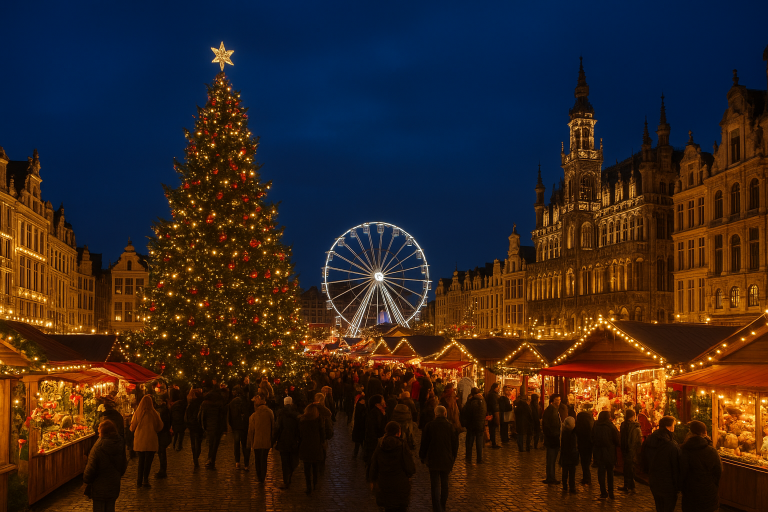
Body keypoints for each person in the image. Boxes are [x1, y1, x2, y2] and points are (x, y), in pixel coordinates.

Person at [369, 421, 417, 512]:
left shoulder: (380, 444)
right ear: (398, 432)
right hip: (400, 484)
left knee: (388, 508)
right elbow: (409, 466)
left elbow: (374, 463)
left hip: (384, 484)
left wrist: (372, 480)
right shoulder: (402, 445)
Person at [419, 406, 459, 512]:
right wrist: (453, 457)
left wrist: (422, 456)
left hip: (433, 457)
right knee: (445, 482)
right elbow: (455, 444)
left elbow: (424, 443)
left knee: (435, 484)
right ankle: (442, 504)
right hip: (446, 458)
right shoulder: (450, 426)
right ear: (445, 413)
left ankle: (436, 507)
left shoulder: (430, 426)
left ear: (435, 414)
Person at [83, 420, 128, 512]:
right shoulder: (119, 443)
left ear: (103, 432)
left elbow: (91, 468)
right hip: (114, 484)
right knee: (110, 507)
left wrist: (86, 480)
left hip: (99, 486)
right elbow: (123, 464)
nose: (98, 433)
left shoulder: (98, 447)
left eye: (99, 431)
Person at [680, 420, 722, 512]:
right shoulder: (712, 451)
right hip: (709, 492)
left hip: (691, 493)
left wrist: (684, 488)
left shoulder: (685, 450)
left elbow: (682, 473)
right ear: (705, 432)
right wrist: (713, 485)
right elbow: (718, 471)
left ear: (691, 432)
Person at [642, 415, 681, 512]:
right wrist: (678, 485)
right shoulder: (671, 445)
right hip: (668, 483)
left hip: (654, 480)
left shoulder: (649, 440)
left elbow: (643, 458)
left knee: (659, 506)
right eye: (674, 426)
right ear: (670, 427)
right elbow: (676, 466)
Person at [129, 395, 163, 488]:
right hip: (151, 440)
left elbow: (132, 428)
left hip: (140, 440)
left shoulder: (137, 413)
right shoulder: (155, 414)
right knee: (148, 462)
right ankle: (145, 480)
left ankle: (139, 481)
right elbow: (159, 427)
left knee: (141, 461)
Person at [247, 392, 275, 483]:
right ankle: (262, 476)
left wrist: (250, 443)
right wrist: (272, 440)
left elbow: (251, 430)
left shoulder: (253, 416)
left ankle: (259, 476)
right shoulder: (270, 412)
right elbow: (273, 427)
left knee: (258, 459)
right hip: (266, 440)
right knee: (264, 459)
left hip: (257, 441)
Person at [591, 410, 619, 500]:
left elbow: (592, 438)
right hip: (609, 451)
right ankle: (611, 492)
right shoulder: (611, 426)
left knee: (601, 472)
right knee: (610, 472)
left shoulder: (596, 426)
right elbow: (617, 440)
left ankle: (603, 492)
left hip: (599, 452)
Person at [298, 403, 325, 495]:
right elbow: (322, 434)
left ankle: (308, 486)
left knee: (307, 468)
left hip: (305, 446)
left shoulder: (302, 421)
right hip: (316, 446)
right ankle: (315, 483)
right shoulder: (318, 420)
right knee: (315, 467)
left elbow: (300, 435)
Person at [274, 396, 301, 489]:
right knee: (292, 460)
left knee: (284, 462)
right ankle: (290, 474)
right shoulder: (296, 415)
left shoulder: (280, 414)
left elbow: (277, 428)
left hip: (283, 441)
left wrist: (273, 440)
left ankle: (286, 480)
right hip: (294, 441)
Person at [460, 387, 486, 464]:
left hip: (471, 424)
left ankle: (468, 457)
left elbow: (465, 412)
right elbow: (484, 411)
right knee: (479, 441)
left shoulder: (470, 401)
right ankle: (479, 458)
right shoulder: (483, 400)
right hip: (480, 424)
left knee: (469, 441)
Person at [199, 389, 225, 469]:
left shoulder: (205, 403)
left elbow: (202, 416)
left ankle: (209, 459)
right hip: (218, 426)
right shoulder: (220, 403)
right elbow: (222, 416)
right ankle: (212, 460)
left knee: (210, 443)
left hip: (209, 426)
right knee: (215, 444)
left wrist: (203, 426)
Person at [228, 385, 251, 470]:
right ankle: (246, 464)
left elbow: (230, 416)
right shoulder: (246, 401)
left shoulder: (232, 402)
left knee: (236, 444)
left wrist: (232, 425)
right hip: (244, 425)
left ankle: (237, 462)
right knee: (245, 444)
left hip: (236, 426)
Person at [619, 409, 641, 493]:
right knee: (630, 468)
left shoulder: (624, 425)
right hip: (631, 449)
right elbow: (638, 440)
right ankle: (630, 486)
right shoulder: (635, 426)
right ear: (633, 416)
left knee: (627, 468)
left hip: (626, 448)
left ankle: (628, 485)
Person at [541, 394, 562, 484]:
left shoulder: (555, 410)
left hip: (554, 438)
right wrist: (552, 435)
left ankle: (551, 476)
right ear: (552, 400)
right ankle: (550, 477)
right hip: (552, 439)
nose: (558, 401)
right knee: (551, 459)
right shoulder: (550, 410)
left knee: (552, 459)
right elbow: (546, 425)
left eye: (559, 399)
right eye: (557, 400)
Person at [364, 395, 387, 469]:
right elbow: (376, 427)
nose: (384, 401)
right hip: (374, 441)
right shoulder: (375, 413)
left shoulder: (378, 412)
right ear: (377, 404)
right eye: (382, 400)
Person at [574, 403, 594, 484]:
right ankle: (587, 476)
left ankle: (587, 477)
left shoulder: (579, 427)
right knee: (587, 462)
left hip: (582, 446)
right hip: (589, 446)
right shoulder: (591, 426)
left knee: (584, 462)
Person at [559, 416, 579, 493]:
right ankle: (572, 487)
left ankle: (565, 486)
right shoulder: (572, 434)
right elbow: (573, 445)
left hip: (565, 455)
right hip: (571, 455)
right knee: (571, 473)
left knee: (565, 472)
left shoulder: (564, 432)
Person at [154, 394, 172, 479]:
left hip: (162, 434)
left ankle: (162, 470)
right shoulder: (165, 409)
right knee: (161, 452)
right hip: (164, 433)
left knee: (161, 452)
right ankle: (162, 470)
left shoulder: (163, 411)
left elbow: (163, 423)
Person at [185, 388, 204, 467]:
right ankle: (196, 457)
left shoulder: (191, 404)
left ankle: (195, 458)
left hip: (193, 425)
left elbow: (188, 415)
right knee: (198, 442)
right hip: (198, 425)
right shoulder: (200, 403)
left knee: (194, 442)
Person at [484, 382, 501, 450]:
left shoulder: (490, 394)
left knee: (492, 428)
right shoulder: (493, 396)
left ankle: (493, 441)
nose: (498, 389)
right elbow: (495, 406)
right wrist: (496, 415)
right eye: (497, 388)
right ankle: (493, 442)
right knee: (493, 428)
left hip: (491, 413)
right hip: (493, 413)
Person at [351, 393, 367, 458]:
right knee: (360, 443)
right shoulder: (362, 408)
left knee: (358, 444)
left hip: (358, 429)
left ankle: (356, 454)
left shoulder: (359, 407)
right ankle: (360, 454)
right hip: (360, 428)